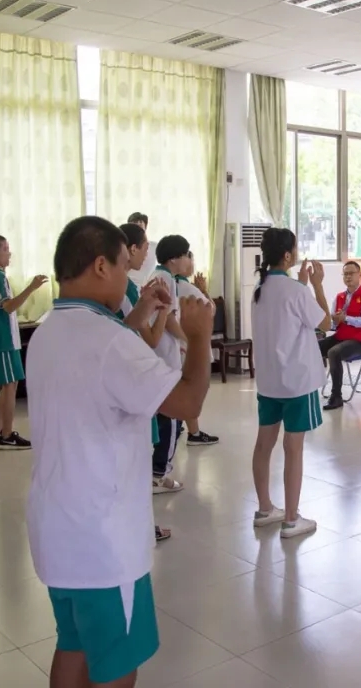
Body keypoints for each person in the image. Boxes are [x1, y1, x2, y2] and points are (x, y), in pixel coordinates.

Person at [26, 216, 212, 688]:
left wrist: (140, 312)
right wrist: (199, 335)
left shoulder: (48, 329)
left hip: (57, 529)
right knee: (115, 663)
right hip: (103, 543)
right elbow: (187, 402)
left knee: (73, 644)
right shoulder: (109, 343)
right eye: (126, 265)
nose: (130, 276)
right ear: (101, 266)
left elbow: (102, 353)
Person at [250, 228, 332, 539]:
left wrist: (303, 285)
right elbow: (325, 323)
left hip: (269, 380)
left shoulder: (260, 289)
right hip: (297, 381)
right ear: (288, 255)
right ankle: (291, 518)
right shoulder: (296, 291)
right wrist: (317, 285)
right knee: (293, 448)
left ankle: (265, 509)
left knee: (264, 444)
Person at [118, 223, 173, 544]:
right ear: (131, 249)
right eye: (143, 247)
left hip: (126, 379)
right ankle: (141, 524)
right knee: (137, 460)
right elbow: (149, 338)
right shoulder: (124, 288)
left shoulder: (125, 287)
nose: (146, 253)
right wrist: (163, 309)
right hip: (134, 378)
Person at [0, 235, 48, 450]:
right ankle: (7, 435)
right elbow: (8, 306)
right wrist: (31, 287)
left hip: (3, 339)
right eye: (5, 249)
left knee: (10, 383)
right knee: (10, 386)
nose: (9, 254)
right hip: (2, 339)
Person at [146, 236, 194, 494]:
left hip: (163, 353)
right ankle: (158, 474)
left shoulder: (163, 276)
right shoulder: (165, 278)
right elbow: (169, 319)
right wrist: (188, 339)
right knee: (171, 416)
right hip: (163, 357)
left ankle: (158, 472)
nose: (189, 260)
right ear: (174, 258)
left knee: (165, 416)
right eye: (186, 254)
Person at [163, 236, 219, 446]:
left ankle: (189, 429)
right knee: (191, 388)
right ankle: (192, 432)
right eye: (189, 257)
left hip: (177, 345)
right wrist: (203, 290)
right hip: (188, 344)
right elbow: (210, 311)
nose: (191, 263)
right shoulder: (188, 289)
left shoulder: (171, 282)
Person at [320, 261, 361, 411]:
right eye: (345, 274)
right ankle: (309, 388)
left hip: (359, 341)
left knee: (334, 352)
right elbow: (334, 324)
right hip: (341, 337)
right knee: (313, 347)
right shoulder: (339, 297)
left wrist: (346, 318)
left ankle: (336, 396)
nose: (348, 277)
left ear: (360, 275)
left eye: (351, 273)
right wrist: (333, 321)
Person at [126, 212, 157, 287]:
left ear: (145, 227)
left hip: (146, 287)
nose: (145, 255)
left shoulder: (154, 246)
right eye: (134, 227)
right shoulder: (125, 247)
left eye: (140, 226)